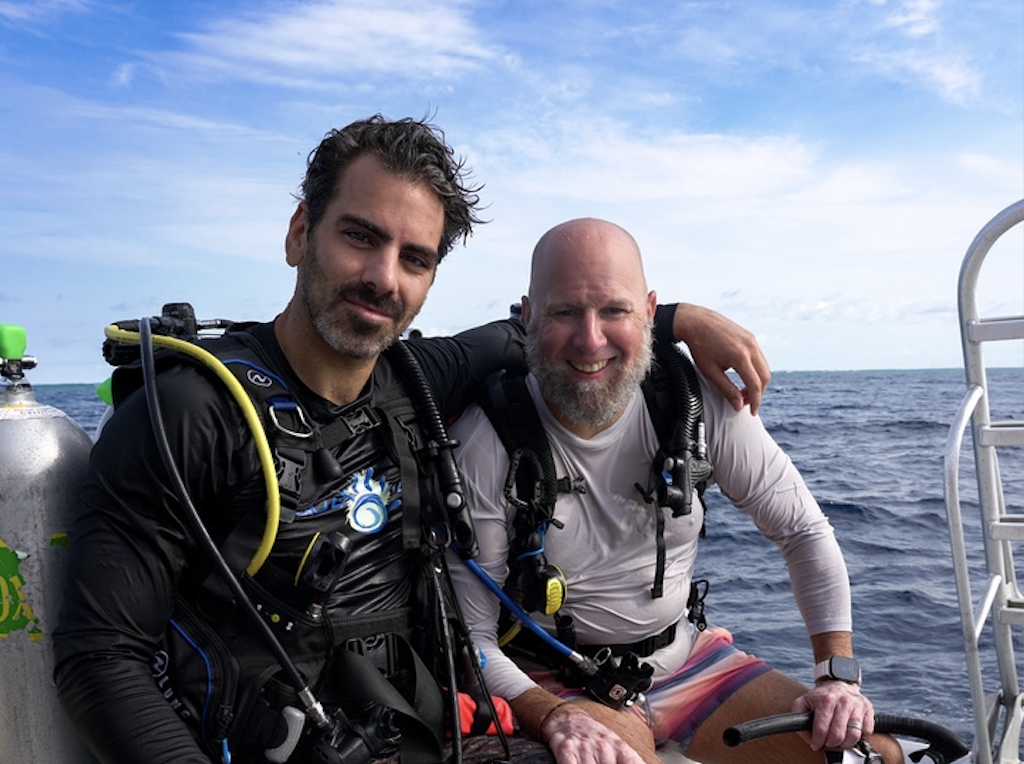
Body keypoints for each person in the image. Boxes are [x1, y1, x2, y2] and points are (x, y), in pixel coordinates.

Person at [52, 117, 770, 764]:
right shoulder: (189, 415)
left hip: (423, 730)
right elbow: (100, 657)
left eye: (414, 257)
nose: (381, 278)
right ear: (301, 232)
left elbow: (545, 334)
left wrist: (675, 319)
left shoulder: (413, 378)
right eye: (359, 235)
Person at [446, 217, 903, 764]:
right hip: (558, 674)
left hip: (687, 659)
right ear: (527, 316)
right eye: (565, 312)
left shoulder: (690, 402)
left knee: (873, 755)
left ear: (648, 311)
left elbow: (802, 530)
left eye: (614, 310)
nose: (591, 339)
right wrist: (553, 714)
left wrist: (837, 677)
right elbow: (474, 635)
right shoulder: (485, 436)